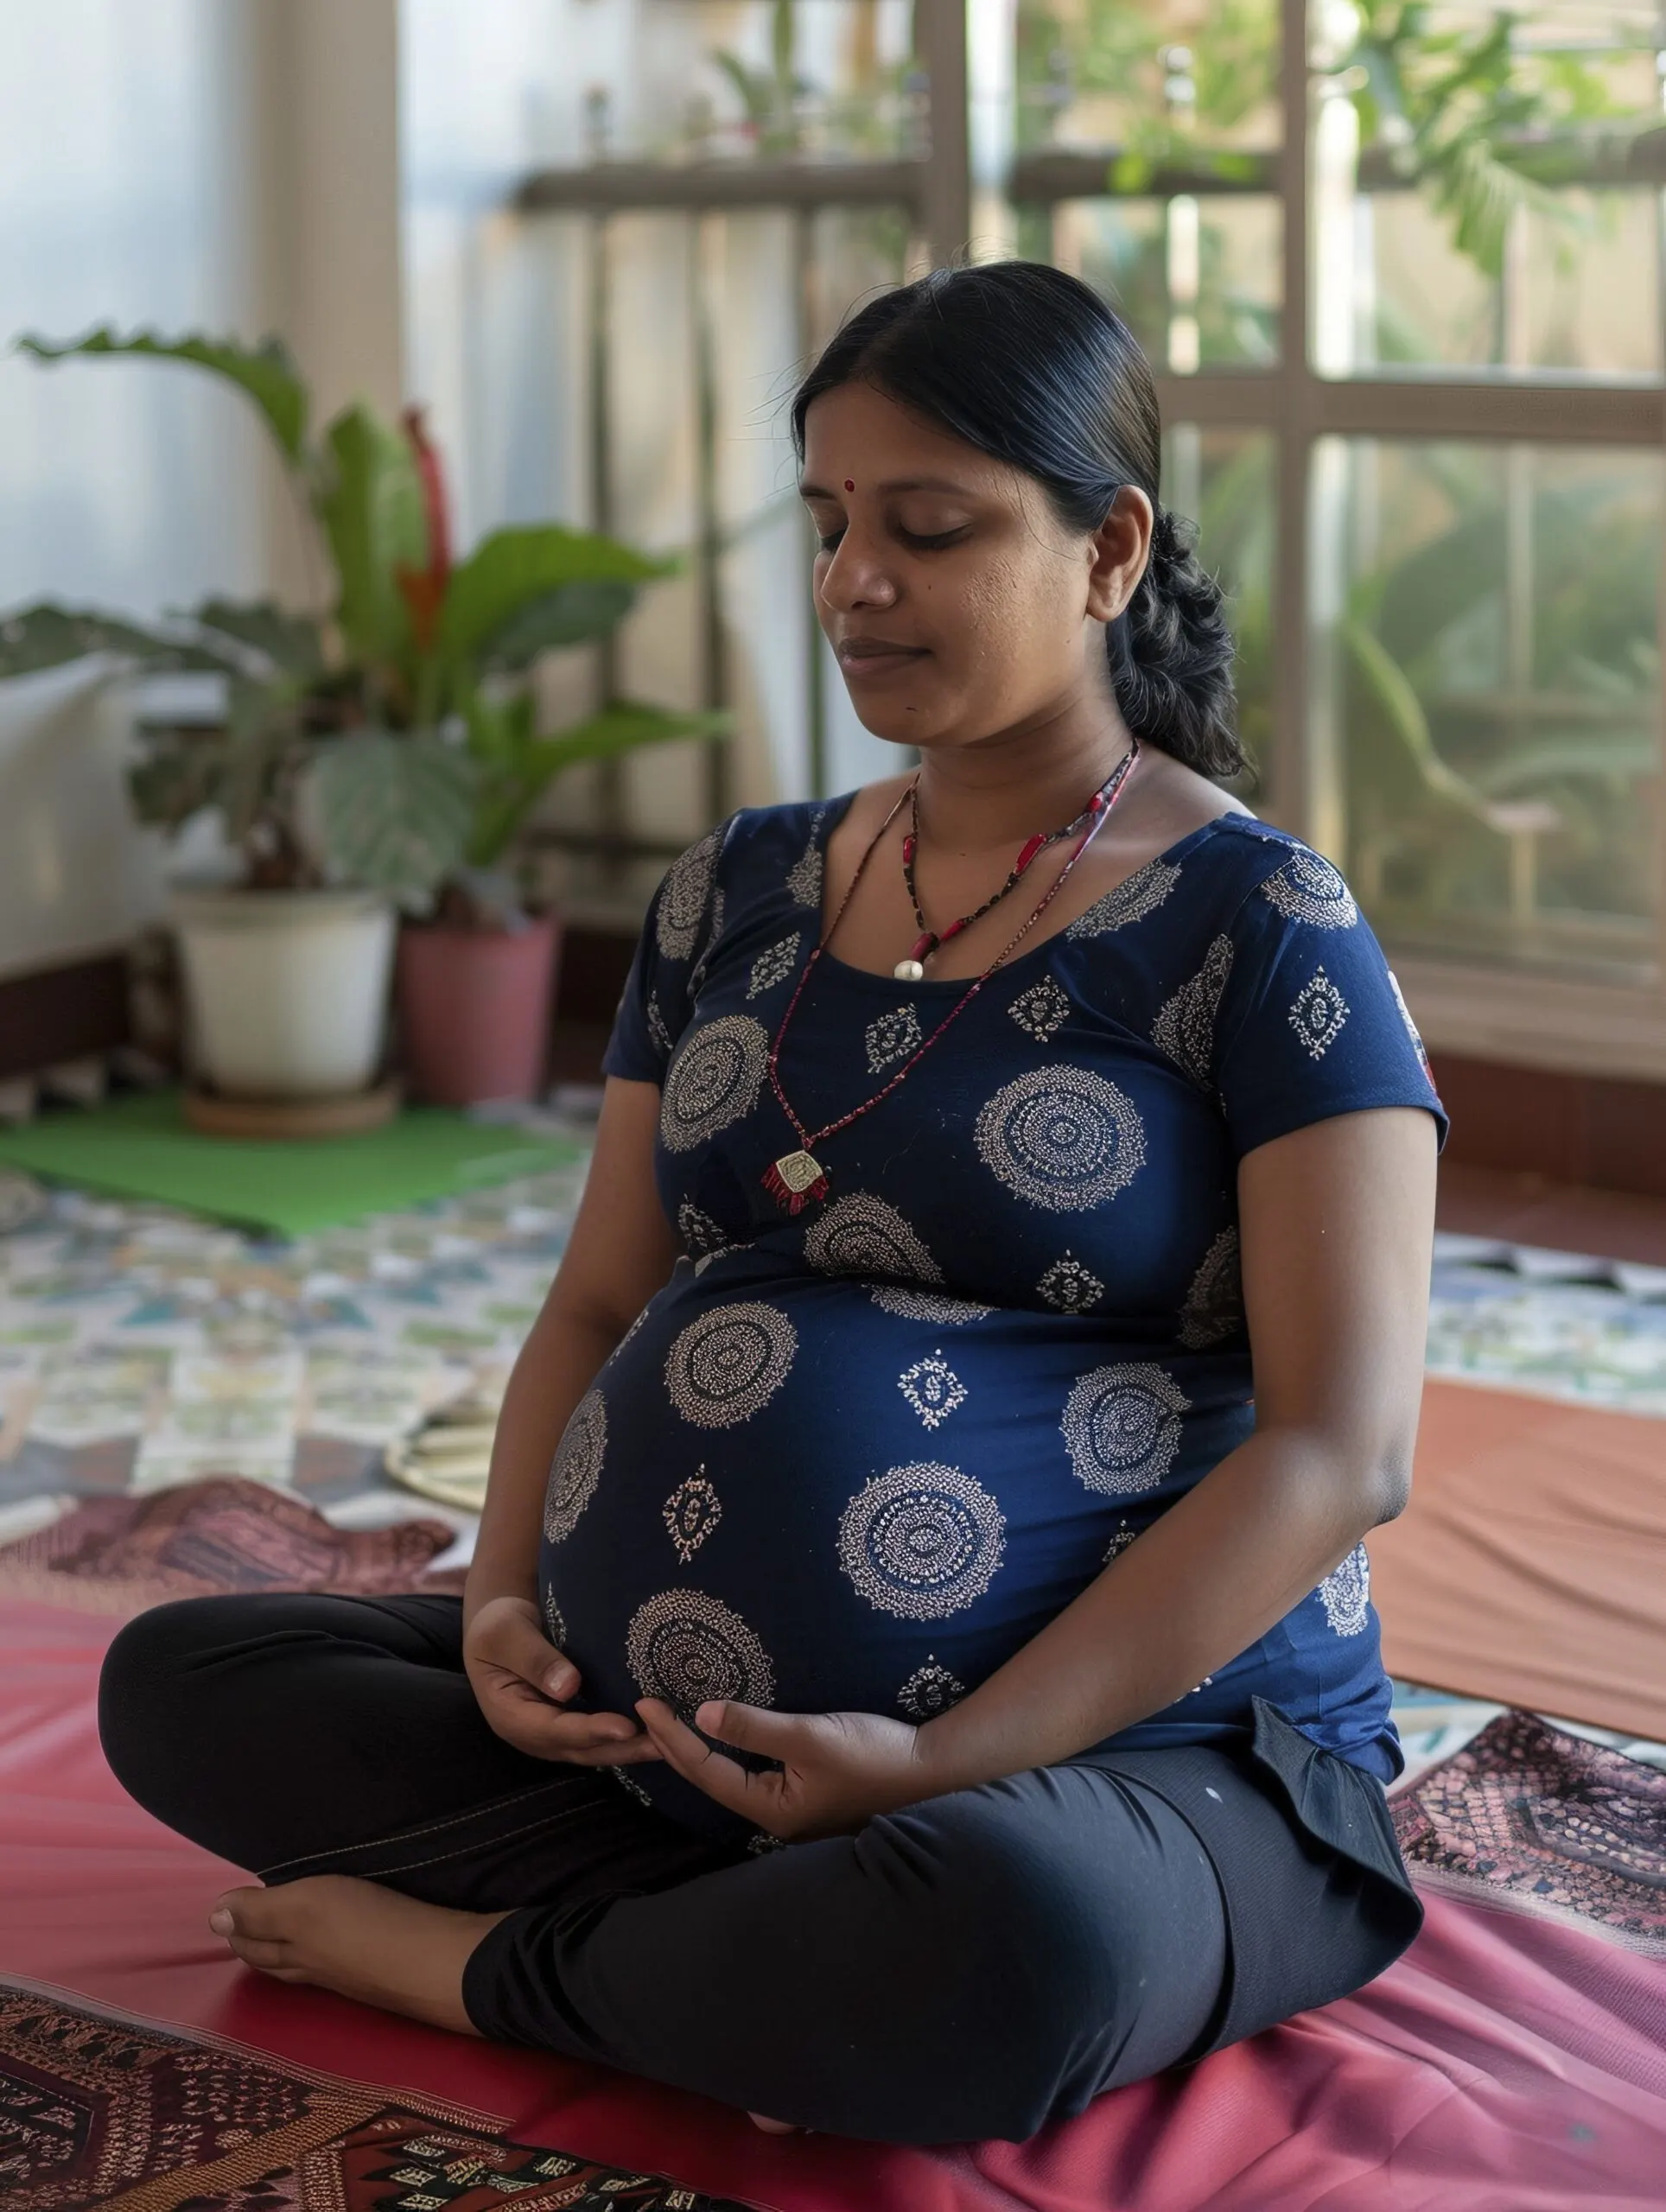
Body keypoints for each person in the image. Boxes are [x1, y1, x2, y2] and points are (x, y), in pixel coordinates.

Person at [99, 262, 1444, 2148]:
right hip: (664, 1736)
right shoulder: (732, 890)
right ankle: (731, 1942)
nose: (853, 584)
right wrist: (502, 1602)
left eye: (929, 528)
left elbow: (1338, 1448)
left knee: (1013, 1942)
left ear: (1108, 550)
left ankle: (484, 1967)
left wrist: (946, 1755)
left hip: (1142, 1751)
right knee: (187, 1678)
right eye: (828, 526)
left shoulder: (1262, 921)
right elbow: (595, 1303)